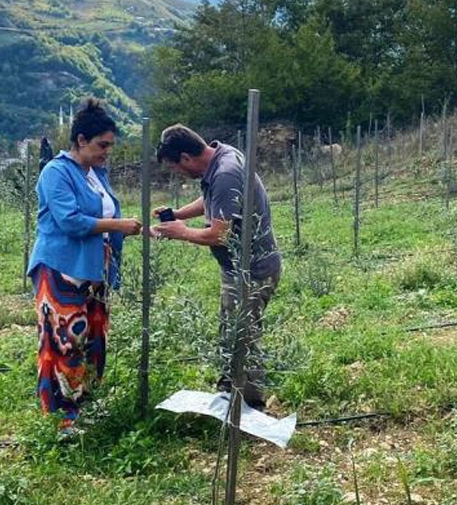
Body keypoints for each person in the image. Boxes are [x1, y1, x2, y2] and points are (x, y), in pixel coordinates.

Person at [26, 98, 142, 434]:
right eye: (102, 145)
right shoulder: (56, 173)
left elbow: (105, 215)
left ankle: (86, 404)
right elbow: (71, 221)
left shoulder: (96, 175)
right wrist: (118, 227)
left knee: (94, 338)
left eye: (110, 146)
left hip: (94, 270)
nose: (107, 151)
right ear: (80, 141)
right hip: (60, 267)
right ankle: (63, 416)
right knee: (63, 340)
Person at [152, 124, 282, 411]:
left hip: (252, 270)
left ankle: (247, 408)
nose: (178, 174)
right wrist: (177, 214)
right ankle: (230, 390)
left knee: (241, 338)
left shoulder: (224, 173)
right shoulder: (221, 157)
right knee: (230, 330)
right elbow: (213, 200)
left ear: (186, 158)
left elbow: (219, 235)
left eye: (176, 168)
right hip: (239, 268)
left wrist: (181, 231)